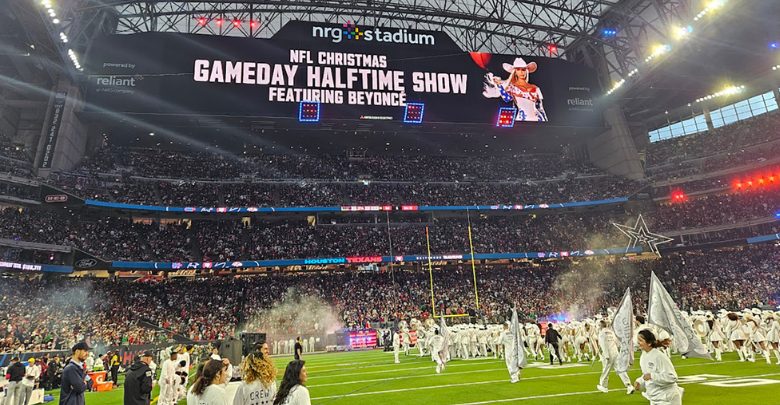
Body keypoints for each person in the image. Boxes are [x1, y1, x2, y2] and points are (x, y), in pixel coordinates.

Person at [634, 329, 683, 405]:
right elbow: (647, 375)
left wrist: (652, 376)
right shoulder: (643, 356)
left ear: (649, 343)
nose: (638, 342)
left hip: (667, 399)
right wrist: (639, 382)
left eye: (640, 340)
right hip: (654, 399)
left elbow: (672, 377)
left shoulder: (659, 356)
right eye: (638, 340)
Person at [596, 320, 634, 395]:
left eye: (599, 325)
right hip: (615, 352)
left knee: (605, 370)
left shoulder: (602, 333)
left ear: (601, 326)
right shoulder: (611, 332)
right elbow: (617, 342)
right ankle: (629, 385)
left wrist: (606, 355)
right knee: (620, 369)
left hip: (608, 354)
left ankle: (603, 386)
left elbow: (603, 345)